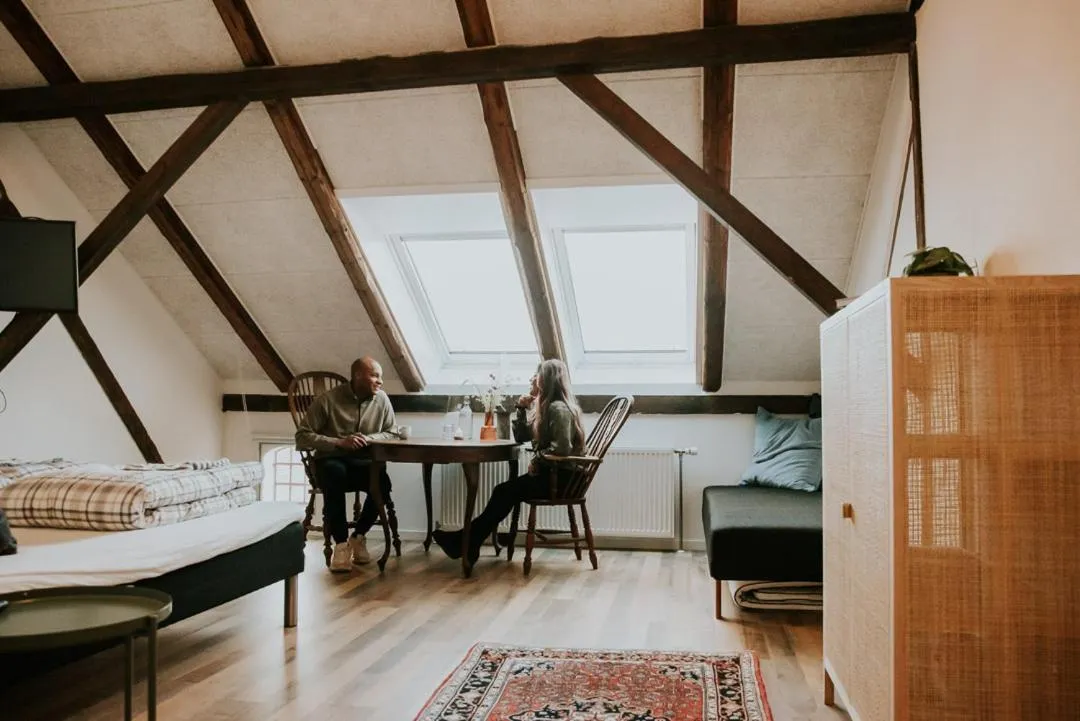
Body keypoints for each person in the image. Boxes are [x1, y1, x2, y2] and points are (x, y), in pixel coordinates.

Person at [432, 359, 585, 566]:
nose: (532, 378)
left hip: (563, 479)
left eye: (536, 375)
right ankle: (467, 541)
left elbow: (562, 448)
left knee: (504, 491)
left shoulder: (559, 409)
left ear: (546, 380)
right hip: (550, 475)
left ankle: (466, 540)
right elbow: (522, 436)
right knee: (504, 491)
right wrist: (521, 408)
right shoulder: (546, 408)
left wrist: (538, 459)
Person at [295, 356, 398, 573]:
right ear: (358, 375)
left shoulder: (382, 400)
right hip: (332, 460)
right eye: (375, 376)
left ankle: (358, 536)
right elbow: (302, 437)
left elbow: (392, 432)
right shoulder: (327, 400)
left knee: (383, 483)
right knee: (334, 473)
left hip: (364, 462)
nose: (380, 381)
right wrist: (339, 442)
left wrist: (369, 439)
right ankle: (341, 545)